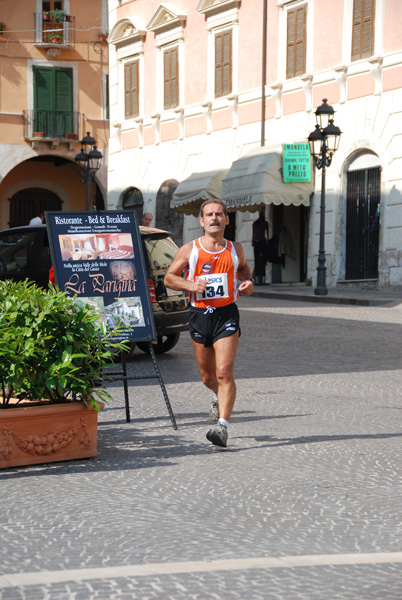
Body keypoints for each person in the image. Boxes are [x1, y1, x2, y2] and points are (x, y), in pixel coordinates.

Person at [164, 199, 254, 447]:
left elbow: (244, 270)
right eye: (209, 215)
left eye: (219, 214)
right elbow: (169, 278)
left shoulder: (236, 249)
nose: (214, 218)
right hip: (200, 315)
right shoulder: (189, 250)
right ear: (202, 221)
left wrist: (248, 282)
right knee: (207, 377)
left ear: (226, 219)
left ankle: (222, 427)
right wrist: (191, 285)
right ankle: (219, 395)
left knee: (224, 371)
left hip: (226, 313)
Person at [252, 211, 269, 285]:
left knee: (260, 260)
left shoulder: (256, 223)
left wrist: (252, 241)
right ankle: (260, 278)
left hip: (258, 241)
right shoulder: (264, 223)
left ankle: (260, 278)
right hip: (261, 241)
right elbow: (267, 234)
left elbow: (254, 234)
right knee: (261, 260)